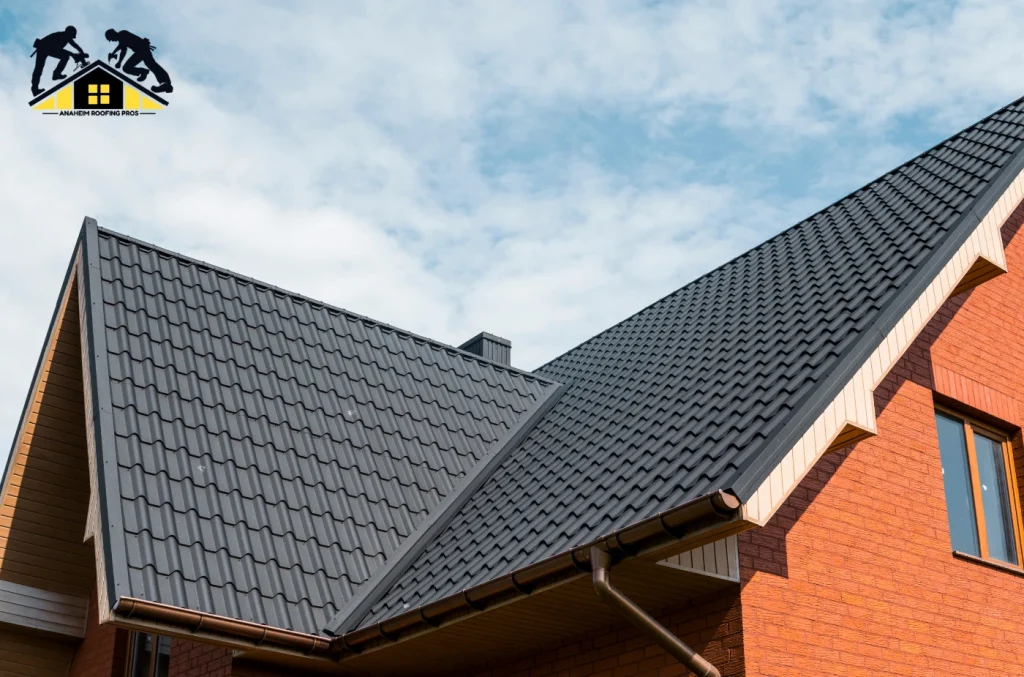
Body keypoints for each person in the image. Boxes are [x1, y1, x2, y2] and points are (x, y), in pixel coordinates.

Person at [105, 29, 173, 93]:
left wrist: (115, 55)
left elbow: (121, 46)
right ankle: (147, 74)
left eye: (111, 39)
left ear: (112, 34)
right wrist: (119, 62)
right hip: (141, 51)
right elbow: (123, 50)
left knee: (149, 65)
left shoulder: (123, 33)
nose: (112, 41)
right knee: (150, 65)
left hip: (142, 49)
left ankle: (165, 83)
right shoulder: (121, 38)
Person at [30, 26, 88, 96]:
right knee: (39, 68)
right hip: (43, 48)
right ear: (68, 32)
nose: (71, 38)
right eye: (71, 35)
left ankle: (55, 74)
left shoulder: (67, 37)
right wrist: (73, 54)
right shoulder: (60, 36)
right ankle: (36, 88)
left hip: (47, 49)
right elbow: (54, 48)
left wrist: (82, 54)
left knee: (65, 56)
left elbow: (76, 46)